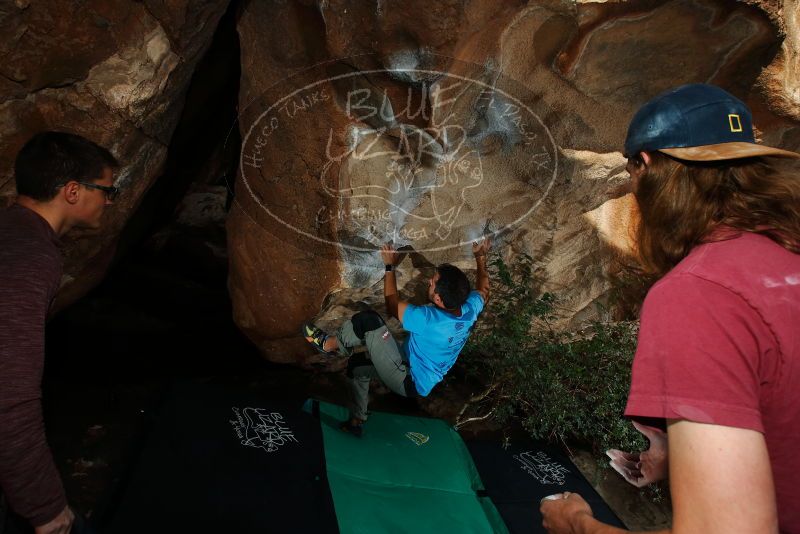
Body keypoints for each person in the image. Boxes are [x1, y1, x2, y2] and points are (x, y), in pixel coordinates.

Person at [540, 84, 800, 533]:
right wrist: (689, 453)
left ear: (645, 166)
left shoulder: (699, 293)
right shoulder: (785, 257)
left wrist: (577, 524)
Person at [0, 132, 119, 534]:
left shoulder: (12, 229)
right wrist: (46, 509)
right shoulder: (31, 258)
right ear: (72, 191)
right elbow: (9, 396)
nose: (109, 200)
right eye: (106, 190)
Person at [303, 239, 491, 436]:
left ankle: (327, 344)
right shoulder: (469, 310)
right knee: (357, 367)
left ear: (438, 299)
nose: (430, 281)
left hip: (407, 377)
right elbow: (484, 290)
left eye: (433, 282)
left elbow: (392, 305)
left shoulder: (430, 320)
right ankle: (356, 421)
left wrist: (389, 265)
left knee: (369, 321)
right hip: (414, 370)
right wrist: (481, 256)